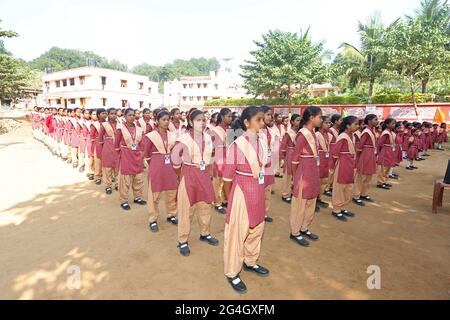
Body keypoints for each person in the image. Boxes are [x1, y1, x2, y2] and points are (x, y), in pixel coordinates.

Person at [222, 106, 269, 294]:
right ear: (247, 122)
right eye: (259, 119)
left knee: (257, 228)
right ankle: (232, 272)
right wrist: (230, 200)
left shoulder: (262, 141)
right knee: (237, 233)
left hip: (257, 190)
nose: (263, 122)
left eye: (263, 119)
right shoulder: (237, 145)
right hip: (241, 193)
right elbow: (226, 179)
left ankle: (250, 261)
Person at [172, 109, 218, 256]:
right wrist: (181, 176)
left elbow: (211, 156)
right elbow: (175, 159)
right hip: (189, 175)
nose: (202, 122)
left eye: (204, 119)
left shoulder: (209, 137)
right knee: (186, 209)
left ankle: (205, 233)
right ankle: (183, 240)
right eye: (198, 120)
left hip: (204, 175)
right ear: (191, 122)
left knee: (205, 206)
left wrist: (209, 173)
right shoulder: (183, 139)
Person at [290, 106, 322, 247]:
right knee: (300, 204)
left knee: (311, 201)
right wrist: (295, 177)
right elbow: (295, 158)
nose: (321, 119)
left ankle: (304, 227)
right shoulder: (302, 134)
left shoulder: (313, 133)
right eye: (319, 117)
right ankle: (295, 232)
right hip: (303, 172)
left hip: (312, 171)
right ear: (311, 117)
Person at [143, 110, 179, 232]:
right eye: (163, 119)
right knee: (155, 192)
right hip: (157, 165)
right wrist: (154, 164)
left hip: (170, 165)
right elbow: (147, 154)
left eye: (168, 119)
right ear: (157, 121)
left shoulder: (172, 135)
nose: (166, 122)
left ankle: (171, 214)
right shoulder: (150, 136)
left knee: (172, 190)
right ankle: (153, 218)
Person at [114, 108, 147, 210]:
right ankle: (123, 200)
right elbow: (116, 144)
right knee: (125, 179)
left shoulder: (139, 129)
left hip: (137, 156)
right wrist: (121, 155)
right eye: (129, 115)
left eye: (133, 115)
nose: (132, 117)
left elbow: (142, 144)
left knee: (138, 178)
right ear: (124, 117)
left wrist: (141, 155)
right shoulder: (121, 128)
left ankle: (138, 197)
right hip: (126, 155)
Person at [331, 116, 359, 222]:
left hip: (350, 165)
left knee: (348, 187)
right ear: (348, 126)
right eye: (355, 124)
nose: (357, 126)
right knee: (340, 187)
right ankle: (336, 209)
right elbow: (335, 154)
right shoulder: (343, 136)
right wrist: (333, 167)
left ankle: (342, 207)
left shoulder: (352, 136)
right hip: (343, 164)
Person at [352, 114, 378, 205]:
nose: (377, 121)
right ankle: (356, 195)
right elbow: (359, 146)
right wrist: (358, 158)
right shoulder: (366, 131)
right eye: (375, 119)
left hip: (370, 154)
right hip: (366, 154)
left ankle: (363, 193)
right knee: (361, 176)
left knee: (368, 175)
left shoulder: (372, 130)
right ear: (369, 121)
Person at [211, 108, 233, 214]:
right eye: (228, 116)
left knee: (227, 180)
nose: (230, 118)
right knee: (218, 181)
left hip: (228, 157)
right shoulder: (215, 130)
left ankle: (225, 199)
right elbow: (211, 147)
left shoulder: (230, 129)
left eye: (231, 116)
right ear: (222, 117)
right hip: (219, 157)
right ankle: (217, 202)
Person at [280, 114, 301, 203]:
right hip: (290, 155)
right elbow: (283, 146)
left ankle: (293, 192)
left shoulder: (300, 133)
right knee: (288, 175)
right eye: (297, 120)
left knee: (296, 175)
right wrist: (284, 158)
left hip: (298, 155)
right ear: (292, 122)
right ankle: (285, 194)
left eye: (300, 120)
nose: (299, 122)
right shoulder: (288, 133)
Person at [260, 105, 275, 223]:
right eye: (268, 114)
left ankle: (264, 213)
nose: (270, 117)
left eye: (271, 115)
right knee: (258, 191)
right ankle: (257, 213)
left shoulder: (271, 131)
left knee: (267, 190)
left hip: (269, 165)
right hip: (259, 166)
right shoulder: (256, 131)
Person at [99, 108, 119, 194]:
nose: (113, 115)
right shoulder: (104, 125)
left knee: (117, 167)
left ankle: (118, 184)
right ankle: (108, 186)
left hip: (118, 147)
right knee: (108, 167)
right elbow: (100, 138)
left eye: (115, 113)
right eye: (111, 113)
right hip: (107, 147)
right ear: (108, 114)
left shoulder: (120, 125)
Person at [315, 115, 331, 208]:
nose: (328, 125)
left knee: (324, 180)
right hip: (319, 159)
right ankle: (313, 199)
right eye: (326, 123)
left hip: (325, 159)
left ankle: (319, 197)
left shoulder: (328, 135)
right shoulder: (317, 135)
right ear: (320, 124)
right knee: (317, 180)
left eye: (329, 123)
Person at [325, 114, 342, 197]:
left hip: (337, 150)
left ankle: (331, 185)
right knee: (330, 169)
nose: (341, 122)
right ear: (335, 121)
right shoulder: (331, 130)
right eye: (340, 120)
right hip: (332, 150)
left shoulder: (339, 130)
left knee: (334, 169)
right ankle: (327, 187)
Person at [376, 118, 396, 190]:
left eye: (394, 123)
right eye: (392, 123)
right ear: (387, 124)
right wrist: (379, 152)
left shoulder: (390, 132)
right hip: (385, 151)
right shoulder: (386, 132)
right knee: (383, 168)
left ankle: (384, 181)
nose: (394, 125)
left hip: (389, 150)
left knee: (388, 167)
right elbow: (380, 143)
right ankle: (380, 182)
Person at [272, 113, 286, 178]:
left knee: (280, 158)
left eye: (281, 117)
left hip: (281, 144)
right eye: (279, 117)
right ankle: (273, 172)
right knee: (274, 158)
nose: (280, 118)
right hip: (274, 144)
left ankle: (277, 171)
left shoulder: (282, 126)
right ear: (275, 118)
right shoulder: (272, 126)